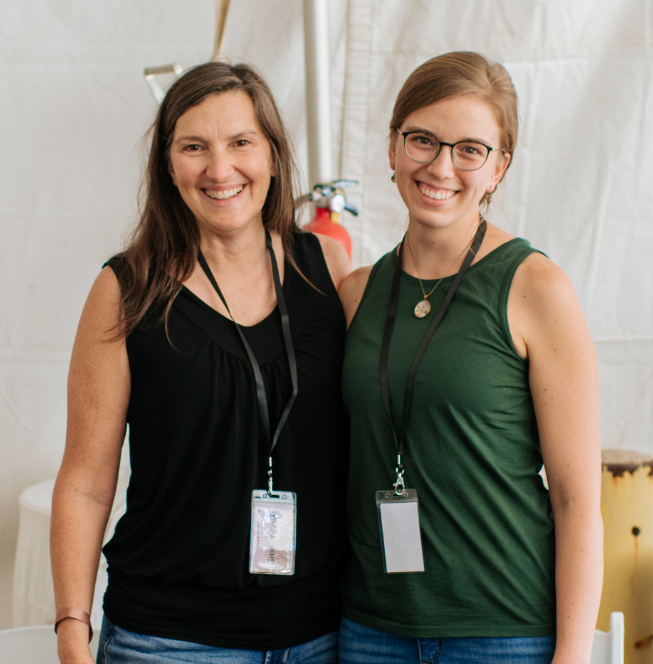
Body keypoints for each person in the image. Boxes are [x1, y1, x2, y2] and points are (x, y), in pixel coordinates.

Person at [51, 61, 351, 664]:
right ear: (168, 166)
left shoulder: (328, 269)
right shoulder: (127, 290)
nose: (219, 169)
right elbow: (85, 482)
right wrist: (71, 629)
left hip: (320, 636)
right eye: (194, 147)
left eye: (241, 142)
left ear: (273, 156)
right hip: (168, 641)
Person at [338, 52, 602, 664]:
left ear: (498, 167)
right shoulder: (355, 295)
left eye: (470, 150)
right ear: (392, 148)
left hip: (504, 633)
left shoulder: (536, 289)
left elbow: (576, 501)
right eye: (423, 140)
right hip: (372, 631)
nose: (441, 166)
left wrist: (572, 654)